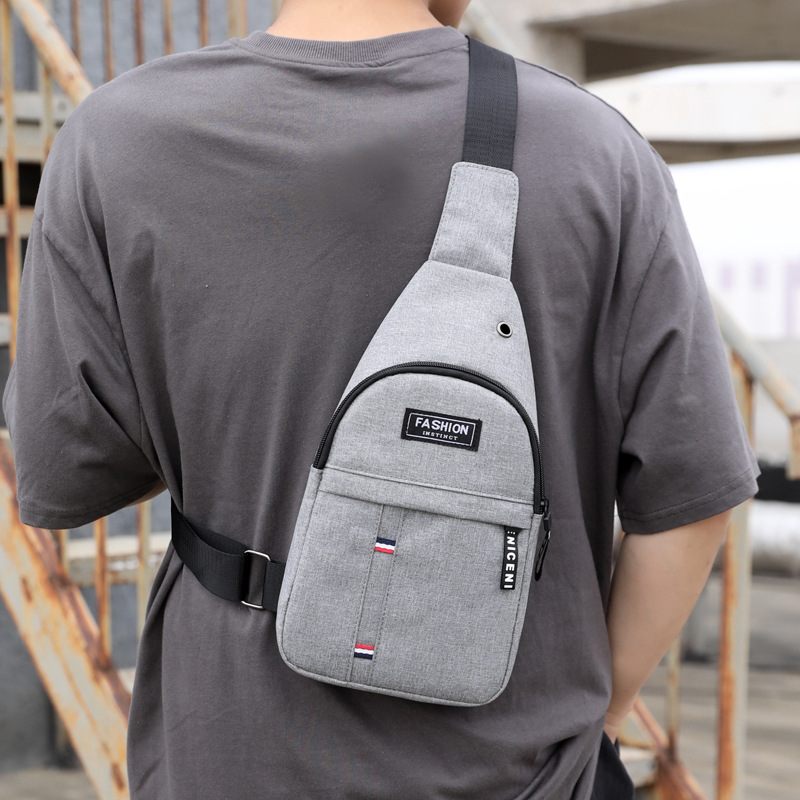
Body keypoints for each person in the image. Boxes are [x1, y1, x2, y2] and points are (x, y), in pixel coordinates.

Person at [2, 1, 760, 798]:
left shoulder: (116, 140)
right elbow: (692, 498)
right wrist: (606, 712)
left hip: (227, 758)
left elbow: (63, 473)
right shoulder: (600, 153)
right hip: (526, 770)